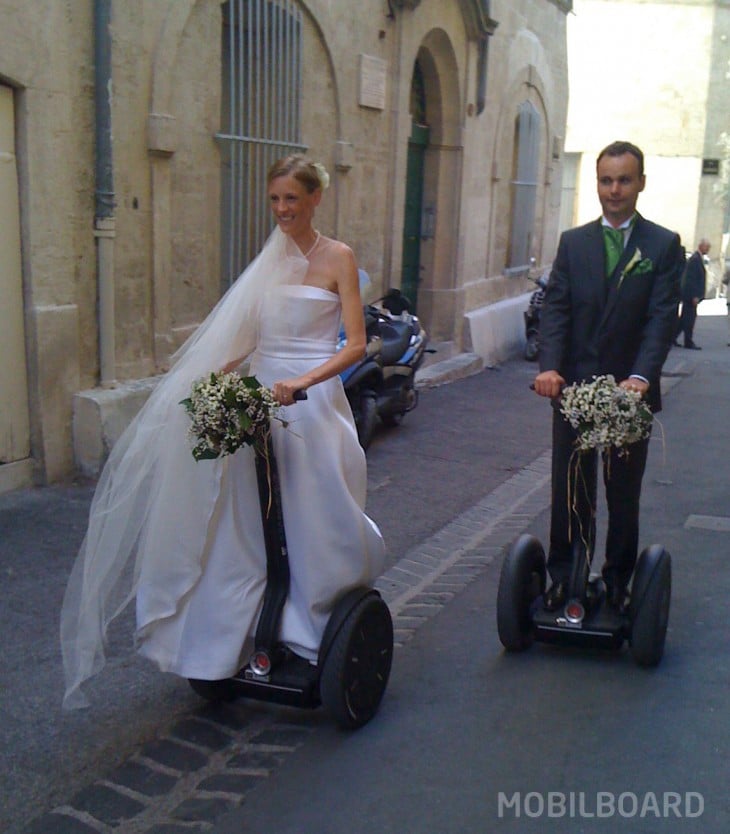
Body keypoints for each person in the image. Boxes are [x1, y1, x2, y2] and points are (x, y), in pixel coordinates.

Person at [61, 156, 386, 708]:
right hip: (259, 397)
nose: (283, 210)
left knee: (313, 515)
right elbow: (255, 337)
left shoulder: (338, 257)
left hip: (309, 401)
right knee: (244, 519)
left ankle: (312, 628)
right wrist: (212, 375)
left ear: (315, 200)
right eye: (275, 200)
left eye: (293, 199)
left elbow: (355, 343)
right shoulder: (269, 260)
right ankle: (239, 630)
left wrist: (303, 380)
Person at [533, 140, 682, 612]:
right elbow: (556, 308)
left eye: (623, 180)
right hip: (574, 391)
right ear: (597, 183)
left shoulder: (662, 244)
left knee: (621, 494)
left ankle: (618, 580)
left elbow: (662, 317)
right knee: (571, 489)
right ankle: (566, 575)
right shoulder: (573, 243)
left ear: (640, 183)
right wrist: (550, 366)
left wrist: (640, 375)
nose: (613, 190)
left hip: (628, 395)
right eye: (605, 180)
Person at [675, 238, 711, 349]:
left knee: (684, 320)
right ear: (701, 246)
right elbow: (690, 279)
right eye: (707, 247)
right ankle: (688, 342)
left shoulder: (697, 258)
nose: (708, 249)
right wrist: (694, 296)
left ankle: (671, 338)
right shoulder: (695, 259)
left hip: (691, 296)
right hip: (691, 296)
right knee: (689, 319)